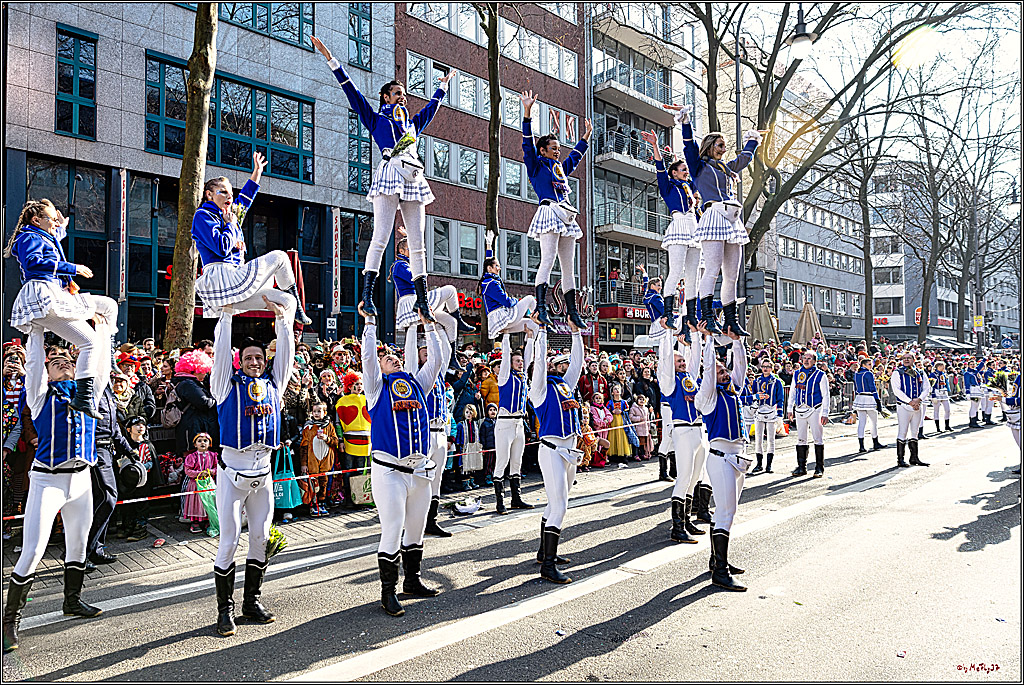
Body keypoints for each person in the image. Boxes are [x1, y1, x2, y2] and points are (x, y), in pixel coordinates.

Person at [312, 35, 455, 321]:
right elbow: (351, 91)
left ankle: (423, 301)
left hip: (413, 176)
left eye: (404, 93)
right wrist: (331, 59)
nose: (403, 97)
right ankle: (367, 296)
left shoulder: (413, 125)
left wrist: (443, 84)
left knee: (418, 242)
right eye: (398, 93)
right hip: (391, 171)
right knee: (380, 237)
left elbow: (432, 107)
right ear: (386, 97)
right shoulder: (376, 119)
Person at [3, 344, 103, 654]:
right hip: (47, 479)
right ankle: (10, 621)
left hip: (81, 479)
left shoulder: (89, 393)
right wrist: (35, 332)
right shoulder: (39, 395)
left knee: (77, 545)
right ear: (47, 372)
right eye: (55, 363)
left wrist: (102, 327)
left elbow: (98, 359)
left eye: (67, 362)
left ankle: (72, 601)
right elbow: (33, 365)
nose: (63, 365)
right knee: (32, 550)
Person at [209, 296, 295, 636]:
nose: (255, 362)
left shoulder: (276, 384)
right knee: (229, 541)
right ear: (239, 361)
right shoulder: (224, 386)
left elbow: (286, 355)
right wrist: (227, 316)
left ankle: (251, 601)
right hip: (231, 477)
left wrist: (283, 317)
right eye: (248, 358)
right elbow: (218, 358)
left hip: (263, 475)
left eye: (260, 357)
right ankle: (224, 610)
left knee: (260, 538)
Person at [360, 304, 445, 616]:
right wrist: (370, 323)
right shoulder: (376, 388)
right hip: (389, 471)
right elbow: (368, 360)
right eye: (387, 356)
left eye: (395, 354)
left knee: (416, 528)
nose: (393, 356)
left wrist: (430, 326)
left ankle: (413, 581)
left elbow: (436, 361)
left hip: (419, 470)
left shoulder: (417, 383)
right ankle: (388, 592)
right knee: (392, 528)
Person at [7, 199, 118, 419]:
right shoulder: (29, 237)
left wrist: (61, 227)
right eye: (51, 219)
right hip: (44, 294)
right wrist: (72, 268)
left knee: (101, 319)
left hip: (48, 297)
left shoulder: (39, 235)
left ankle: (88, 392)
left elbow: (53, 243)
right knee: (96, 329)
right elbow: (33, 262)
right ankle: (87, 393)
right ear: (36, 220)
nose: (54, 223)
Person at [191, 152, 311, 325]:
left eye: (231, 193)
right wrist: (231, 226)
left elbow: (246, 197)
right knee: (280, 257)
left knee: (287, 300)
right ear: (209, 195)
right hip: (221, 277)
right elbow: (222, 247)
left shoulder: (230, 215)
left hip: (232, 281)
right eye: (223, 192)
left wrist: (257, 172)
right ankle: (298, 308)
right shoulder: (203, 215)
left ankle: (286, 336)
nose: (229, 196)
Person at [677, 105, 760, 336]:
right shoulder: (699, 166)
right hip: (713, 214)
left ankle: (731, 320)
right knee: (712, 270)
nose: (724, 150)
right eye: (720, 145)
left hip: (732, 219)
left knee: (733, 274)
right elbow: (689, 146)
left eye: (724, 146)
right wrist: (685, 122)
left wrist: (752, 140)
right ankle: (707, 317)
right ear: (710, 146)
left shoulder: (726, 168)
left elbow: (744, 160)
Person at [519, 89, 592, 327]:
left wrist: (586, 138)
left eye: (558, 148)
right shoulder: (536, 165)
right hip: (549, 211)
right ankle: (541, 308)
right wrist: (527, 113)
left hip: (567, 214)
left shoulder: (559, 167)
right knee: (548, 260)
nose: (557, 151)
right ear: (543, 150)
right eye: (553, 148)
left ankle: (572, 312)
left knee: (569, 268)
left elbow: (574, 159)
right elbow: (527, 143)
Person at [692, 321, 749, 592]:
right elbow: (709, 374)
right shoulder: (708, 398)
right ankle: (721, 572)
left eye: (725, 371)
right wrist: (709, 341)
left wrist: (736, 341)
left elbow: (741, 368)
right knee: (725, 512)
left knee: (728, 512)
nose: (725, 374)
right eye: (720, 372)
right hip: (720, 456)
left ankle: (717, 561)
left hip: (738, 456)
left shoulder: (733, 391)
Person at [528, 322, 585, 583]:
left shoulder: (565, 385)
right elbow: (539, 365)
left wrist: (575, 332)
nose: (557, 365)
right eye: (554, 362)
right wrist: (541, 334)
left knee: (554, 503)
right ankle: (548, 565)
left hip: (569, 451)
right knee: (560, 505)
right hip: (552, 450)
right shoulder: (538, 390)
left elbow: (578, 362)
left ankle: (544, 552)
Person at [641, 125, 702, 332]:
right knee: (675, 271)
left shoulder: (689, 186)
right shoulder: (667, 185)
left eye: (686, 169)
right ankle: (668, 313)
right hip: (678, 225)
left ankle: (691, 315)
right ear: (674, 172)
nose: (686, 172)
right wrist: (656, 146)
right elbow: (659, 166)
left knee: (693, 275)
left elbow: (697, 173)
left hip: (694, 226)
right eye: (682, 169)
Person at [391, 237, 475, 371]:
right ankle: (459, 320)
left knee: (450, 322)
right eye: (410, 249)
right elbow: (414, 278)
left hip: (419, 299)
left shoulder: (406, 263)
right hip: (411, 301)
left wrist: (410, 236)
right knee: (450, 290)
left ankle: (452, 357)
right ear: (401, 251)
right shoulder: (399, 264)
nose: (413, 251)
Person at [657, 323, 706, 543]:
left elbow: (696, 359)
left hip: (698, 430)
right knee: (684, 477)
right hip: (683, 431)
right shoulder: (668, 382)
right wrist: (668, 334)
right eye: (679, 361)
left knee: (694, 478)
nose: (683, 363)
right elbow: (666, 358)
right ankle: (677, 527)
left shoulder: (691, 378)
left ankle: (686, 521)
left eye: (682, 360)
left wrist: (695, 337)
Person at [85, 379, 135, 568]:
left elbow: (113, 427)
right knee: (107, 497)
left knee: (102, 499)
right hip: (94, 449)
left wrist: (129, 450)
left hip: (107, 450)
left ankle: (95, 549)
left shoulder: (105, 388)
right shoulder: (88, 385)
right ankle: (81, 552)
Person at [492, 332, 536, 513]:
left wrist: (530, 339)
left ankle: (516, 499)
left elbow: (529, 357)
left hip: (519, 423)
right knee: (502, 461)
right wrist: (507, 335)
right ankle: (500, 501)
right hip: (504, 423)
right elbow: (505, 356)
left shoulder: (523, 376)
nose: (520, 363)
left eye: (521, 361)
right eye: (517, 361)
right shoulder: (504, 376)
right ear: (509, 363)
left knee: (517, 462)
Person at [786, 350, 830, 478]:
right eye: (804, 358)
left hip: (815, 409)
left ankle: (819, 467)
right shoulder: (797, 373)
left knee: (817, 437)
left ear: (815, 361)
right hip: (800, 409)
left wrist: (825, 412)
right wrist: (789, 409)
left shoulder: (820, 375)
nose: (806, 360)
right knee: (801, 438)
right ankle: (801, 466)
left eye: (809, 358)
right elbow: (793, 392)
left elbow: (825, 395)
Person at [480, 255, 539, 339]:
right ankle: (541, 319)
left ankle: (532, 348)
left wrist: (489, 244)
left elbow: (488, 256)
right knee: (530, 298)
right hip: (500, 316)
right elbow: (507, 302)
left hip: (498, 321)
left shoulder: (488, 282)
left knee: (533, 325)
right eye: (497, 266)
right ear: (489, 268)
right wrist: (515, 300)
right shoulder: (491, 283)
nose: (499, 268)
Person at [891, 351, 931, 468]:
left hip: (917, 405)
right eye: (904, 358)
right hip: (904, 406)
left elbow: (926, 387)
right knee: (902, 431)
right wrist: (910, 401)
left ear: (914, 360)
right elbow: (896, 390)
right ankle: (900, 459)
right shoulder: (897, 372)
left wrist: (919, 399)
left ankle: (914, 457)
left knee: (915, 432)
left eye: (909, 358)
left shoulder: (920, 372)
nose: (906, 360)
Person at [301, 401, 340, 517]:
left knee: (323, 483)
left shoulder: (329, 426)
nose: (316, 413)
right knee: (313, 484)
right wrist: (304, 463)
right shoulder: (308, 427)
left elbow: (335, 441)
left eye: (319, 411)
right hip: (312, 461)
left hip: (325, 460)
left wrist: (326, 438)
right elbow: (303, 447)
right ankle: (313, 505)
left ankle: (322, 503)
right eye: (314, 411)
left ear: (325, 412)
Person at [751, 357, 785, 474]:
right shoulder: (756, 381)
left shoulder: (777, 382)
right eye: (763, 366)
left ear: (771, 368)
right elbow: (753, 396)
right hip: (759, 411)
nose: (765, 369)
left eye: (767, 367)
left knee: (771, 439)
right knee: (758, 439)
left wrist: (780, 415)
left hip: (771, 411)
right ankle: (759, 464)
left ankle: (769, 465)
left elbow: (780, 398)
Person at [181, 433, 218, 534]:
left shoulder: (213, 455)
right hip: (196, 484)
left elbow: (217, 468)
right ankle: (195, 522)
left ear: (209, 444)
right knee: (196, 503)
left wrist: (211, 472)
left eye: (205, 441)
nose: (202, 443)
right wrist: (199, 473)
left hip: (209, 483)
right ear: (195, 444)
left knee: (209, 502)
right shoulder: (191, 457)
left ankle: (207, 520)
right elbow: (188, 471)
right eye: (199, 441)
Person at [852, 357, 886, 453]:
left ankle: (861, 446)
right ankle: (875, 442)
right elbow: (872, 387)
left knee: (861, 423)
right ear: (863, 365)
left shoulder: (857, 374)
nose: (871, 366)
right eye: (869, 364)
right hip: (869, 398)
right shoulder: (868, 373)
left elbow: (856, 387)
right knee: (873, 422)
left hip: (859, 398)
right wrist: (878, 400)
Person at [929, 359, 953, 433]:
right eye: (942, 366)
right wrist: (933, 395)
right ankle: (938, 428)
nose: (943, 367)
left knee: (947, 410)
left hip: (944, 392)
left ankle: (947, 425)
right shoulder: (933, 374)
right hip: (936, 392)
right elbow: (931, 385)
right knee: (936, 410)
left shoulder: (943, 374)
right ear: (938, 366)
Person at [964, 358, 986, 428]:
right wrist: (967, 392)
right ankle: (972, 422)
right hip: (973, 390)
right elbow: (967, 383)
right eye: (971, 364)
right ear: (968, 365)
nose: (973, 365)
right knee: (974, 406)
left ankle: (974, 421)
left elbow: (980, 365)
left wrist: (985, 358)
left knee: (976, 406)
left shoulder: (976, 371)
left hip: (978, 390)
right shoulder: (967, 373)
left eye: (974, 364)